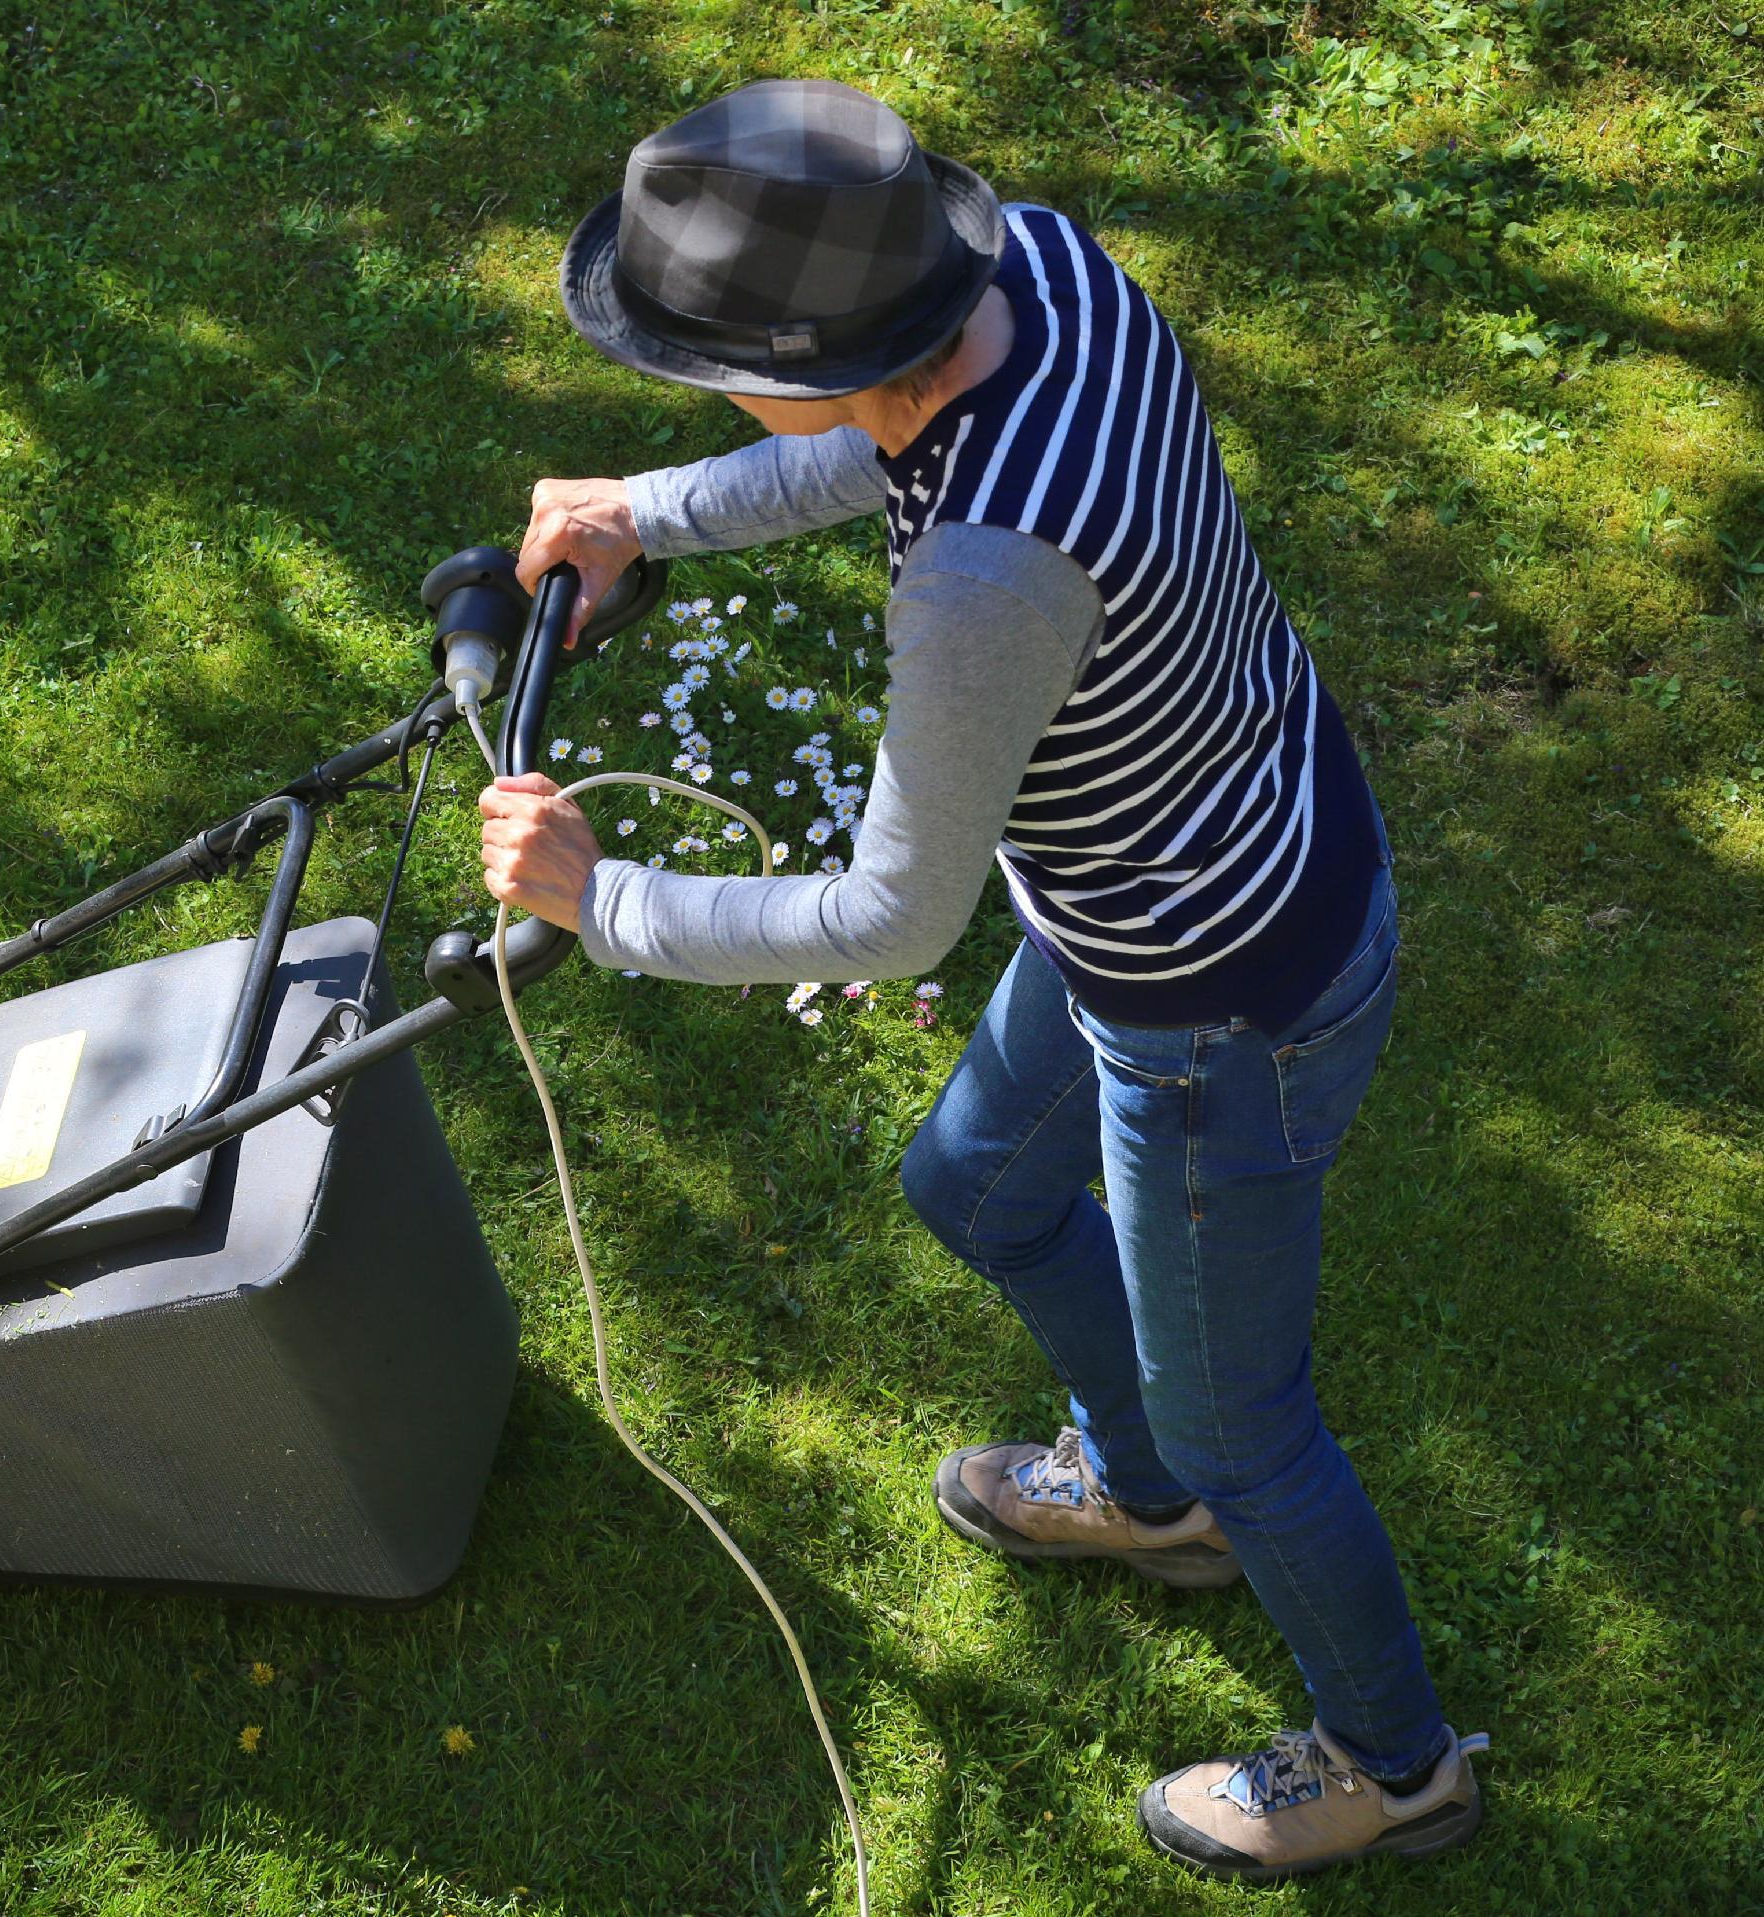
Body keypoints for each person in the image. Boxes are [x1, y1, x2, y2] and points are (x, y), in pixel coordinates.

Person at [478, 77, 1486, 1884]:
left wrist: (594, 891)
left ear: (810, 347)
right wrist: (647, 507)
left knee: (1246, 1422)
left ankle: (1393, 1760)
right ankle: (1148, 1502)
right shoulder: (1037, 270)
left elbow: (888, 921)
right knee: (970, 1181)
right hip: (1219, 811)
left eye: (706, 363)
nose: (698, 391)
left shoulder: (987, 572)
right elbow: (866, 438)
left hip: (1213, 984)